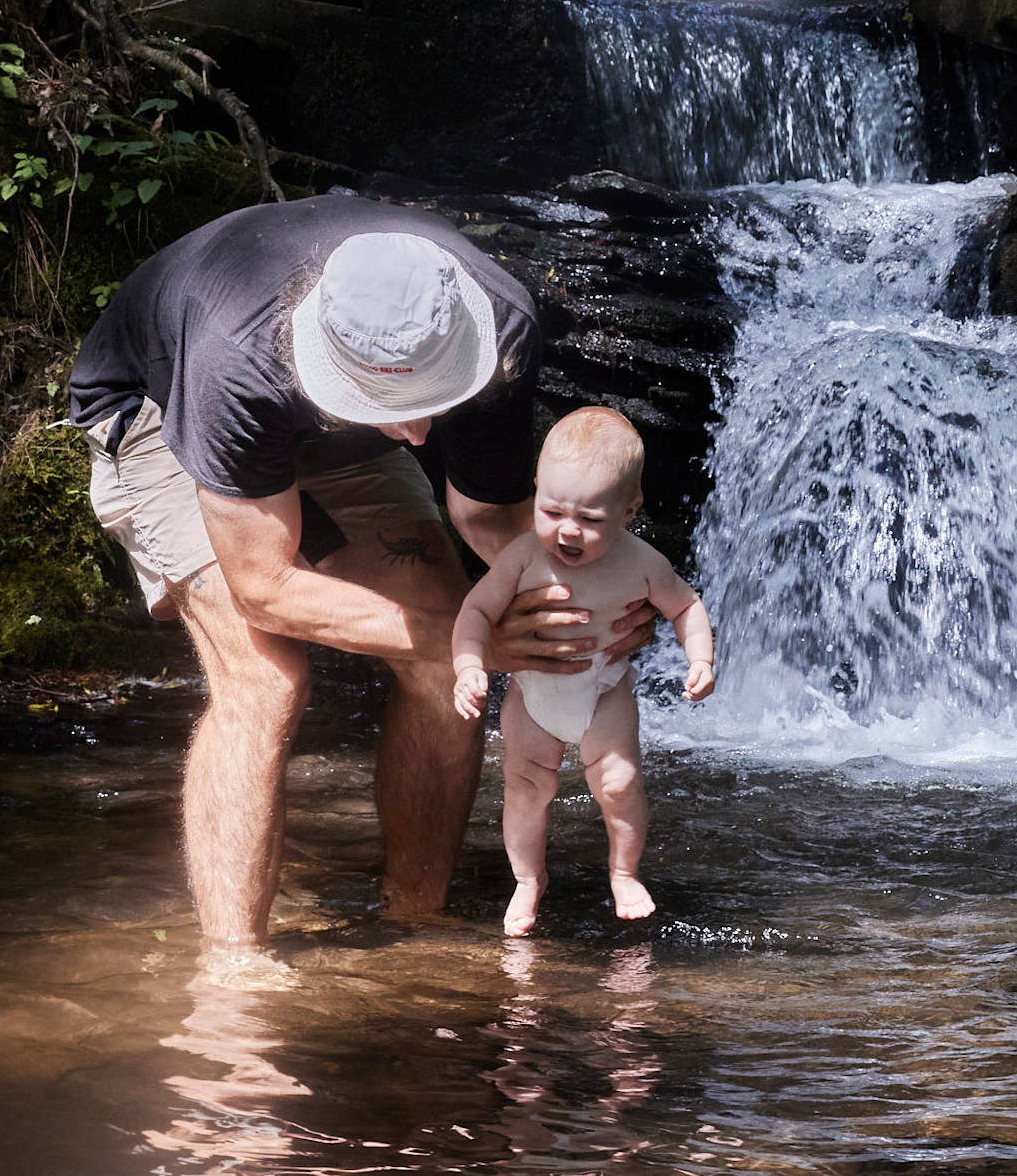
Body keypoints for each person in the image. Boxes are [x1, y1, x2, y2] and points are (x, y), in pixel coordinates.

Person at [71, 194, 649, 986]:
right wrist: (468, 628)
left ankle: (417, 919)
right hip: (160, 411)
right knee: (266, 678)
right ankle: (233, 973)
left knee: (449, 665)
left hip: (336, 425)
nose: (421, 439)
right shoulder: (233, 355)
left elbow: (485, 513)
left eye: (432, 403)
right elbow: (264, 587)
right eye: (399, 409)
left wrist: (586, 601)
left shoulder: (499, 326)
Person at [448, 407, 714, 933]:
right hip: (532, 697)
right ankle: (527, 880)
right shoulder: (523, 557)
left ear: (629, 512)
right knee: (524, 787)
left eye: (590, 520)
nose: (568, 531)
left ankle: (623, 871)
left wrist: (700, 657)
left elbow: (685, 606)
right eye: (552, 512)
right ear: (535, 491)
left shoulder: (641, 563)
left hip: (604, 692)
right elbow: (475, 611)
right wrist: (468, 665)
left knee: (619, 782)